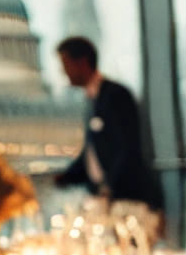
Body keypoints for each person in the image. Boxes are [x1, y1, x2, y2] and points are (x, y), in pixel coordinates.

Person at [53, 36, 157, 207]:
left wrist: (109, 187)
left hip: (126, 198)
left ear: (82, 62)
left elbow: (127, 146)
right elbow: (93, 151)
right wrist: (66, 177)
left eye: (65, 64)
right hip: (110, 197)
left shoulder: (115, 95)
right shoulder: (94, 99)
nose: (63, 71)